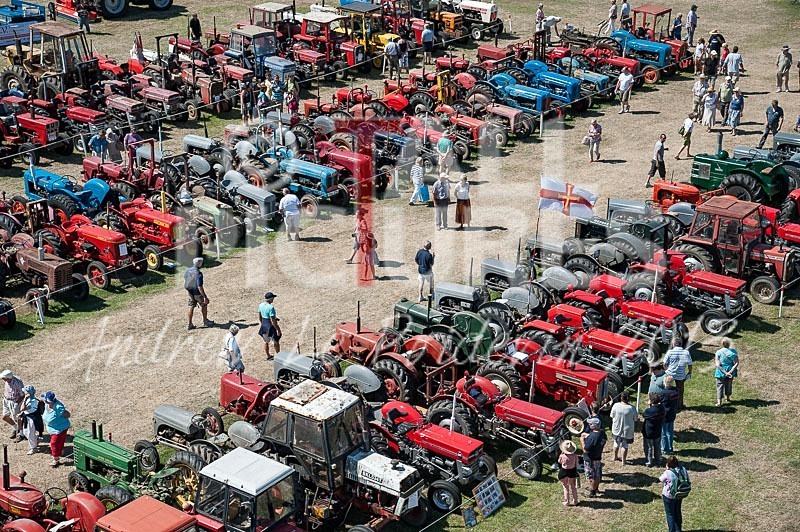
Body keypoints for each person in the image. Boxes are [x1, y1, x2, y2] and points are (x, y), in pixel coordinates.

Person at [660, 456, 689, 532]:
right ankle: (678, 529)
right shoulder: (683, 469)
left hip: (669, 496)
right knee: (677, 512)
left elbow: (661, 479)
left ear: (668, 464)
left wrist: (667, 469)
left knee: (670, 515)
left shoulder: (668, 472)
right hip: (679, 494)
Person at [40, 391, 70, 468]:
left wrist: (64, 413)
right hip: (52, 428)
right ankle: (61, 450)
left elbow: (67, 415)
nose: (44, 401)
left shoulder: (58, 407)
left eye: (45, 400)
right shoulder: (47, 404)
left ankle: (56, 459)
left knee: (54, 443)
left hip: (59, 429)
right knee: (59, 441)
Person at [580, 417, 607, 497]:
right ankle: (595, 488)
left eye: (590, 424)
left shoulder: (592, 437)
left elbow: (586, 450)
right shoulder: (602, 432)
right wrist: (588, 435)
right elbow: (599, 439)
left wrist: (582, 440)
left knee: (592, 476)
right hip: (597, 457)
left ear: (594, 426)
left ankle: (592, 492)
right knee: (597, 474)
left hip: (590, 459)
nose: (589, 425)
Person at [663, 337, 692, 409]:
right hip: (680, 375)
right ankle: (680, 405)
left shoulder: (670, 352)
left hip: (670, 374)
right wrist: (689, 372)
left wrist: (667, 370)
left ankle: (668, 403)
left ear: (673, 344)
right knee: (680, 390)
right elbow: (690, 364)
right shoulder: (686, 352)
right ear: (681, 344)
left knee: (668, 390)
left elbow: (664, 364)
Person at [610, 391, 637, 465]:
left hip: (617, 428)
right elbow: (635, 419)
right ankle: (623, 461)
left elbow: (611, 415)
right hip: (627, 430)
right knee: (625, 445)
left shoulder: (615, 405)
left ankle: (615, 457)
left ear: (621, 398)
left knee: (616, 443)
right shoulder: (632, 408)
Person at [185, 257, 212, 330]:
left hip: (190, 292)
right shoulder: (199, 273)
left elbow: (186, 279)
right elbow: (199, 286)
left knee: (191, 307)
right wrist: (205, 297)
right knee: (204, 305)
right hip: (197, 293)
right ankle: (205, 321)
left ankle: (190, 324)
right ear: (199, 263)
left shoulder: (187, 270)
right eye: (201, 263)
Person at [714, 337, 739, 407]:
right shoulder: (734, 351)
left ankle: (719, 402)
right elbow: (737, 363)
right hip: (731, 370)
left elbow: (717, 365)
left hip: (721, 371)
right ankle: (728, 398)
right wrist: (730, 371)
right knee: (729, 385)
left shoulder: (718, 352)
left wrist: (725, 373)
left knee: (720, 386)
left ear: (722, 344)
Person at [642, 393, 665, 467]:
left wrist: (650, 405)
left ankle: (649, 461)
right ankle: (659, 460)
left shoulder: (649, 411)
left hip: (649, 432)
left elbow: (644, 415)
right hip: (657, 430)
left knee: (649, 447)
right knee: (657, 446)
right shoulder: (661, 408)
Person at [17, 385, 42, 455]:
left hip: (32, 419)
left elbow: (22, 408)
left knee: (30, 433)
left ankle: (34, 448)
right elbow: (23, 410)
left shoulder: (33, 401)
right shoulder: (29, 399)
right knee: (25, 432)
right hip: (26, 417)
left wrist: (24, 399)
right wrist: (21, 414)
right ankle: (36, 439)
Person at [659, 376, 679, 455]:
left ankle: (664, 449)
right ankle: (670, 447)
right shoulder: (676, 390)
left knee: (663, 433)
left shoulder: (663, 393)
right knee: (670, 432)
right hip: (672, 413)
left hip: (664, 415)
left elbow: (658, 400)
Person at [258, 292, 281, 360]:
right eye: (273, 298)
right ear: (270, 298)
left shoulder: (261, 305)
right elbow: (272, 320)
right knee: (275, 341)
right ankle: (278, 356)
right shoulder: (271, 307)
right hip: (270, 326)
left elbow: (260, 316)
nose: (273, 299)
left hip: (264, 325)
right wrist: (277, 329)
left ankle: (268, 355)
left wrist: (263, 323)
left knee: (265, 341)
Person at [1, 370, 23, 438]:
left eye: (4, 378)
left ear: (8, 378)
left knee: (17, 418)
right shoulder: (8, 380)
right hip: (6, 400)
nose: (2, 379)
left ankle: (22, 434)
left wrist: (17, 403)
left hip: (15, 401)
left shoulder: (17, 383)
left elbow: (22, 395)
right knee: (5, 417)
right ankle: (16, 428)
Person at [558, 440, 579, 506]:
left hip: (563, 472)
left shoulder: (562, 456)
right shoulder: (575, 456)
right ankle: (575, 501)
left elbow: (559, 462)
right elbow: (576, 464)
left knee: (565, 487)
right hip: (572, 472)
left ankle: (567, 501)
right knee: (573, 487)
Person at [356, 216, 378, 281]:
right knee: (370, 264)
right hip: (368, 251)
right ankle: (373, 276)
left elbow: (374, 243)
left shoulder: (368, 234)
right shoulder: (366, 234)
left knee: (367, 264)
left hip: (368, 252)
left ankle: (364, 277)